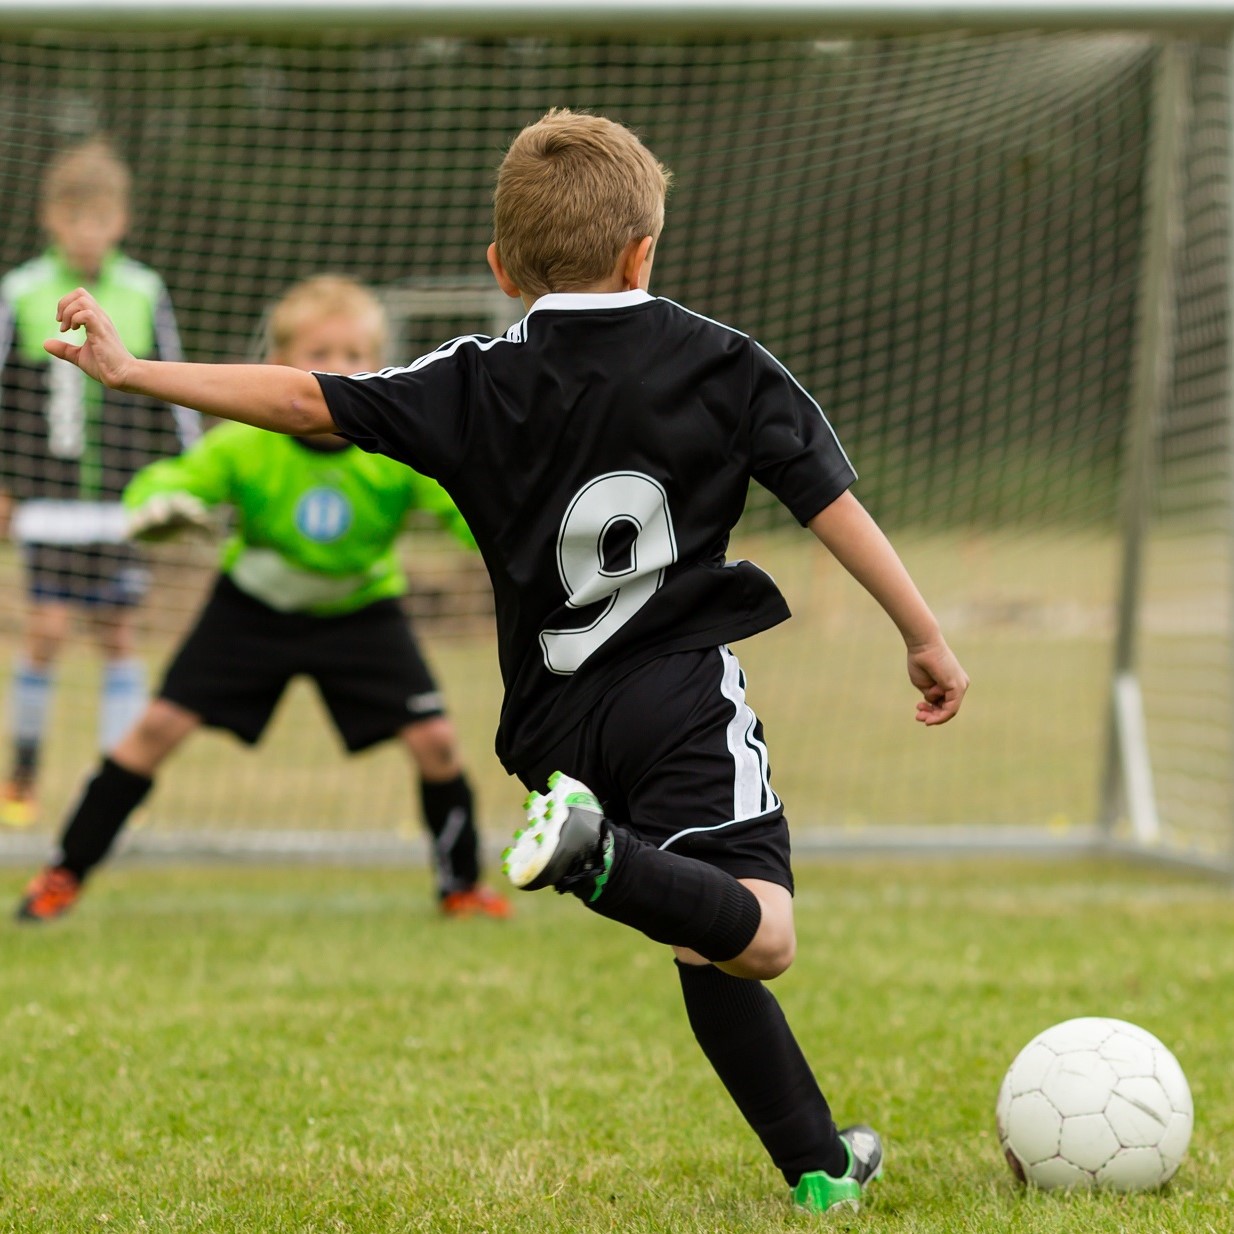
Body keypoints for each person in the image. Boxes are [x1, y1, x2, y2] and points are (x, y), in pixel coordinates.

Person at [41, 110, 968, 1215]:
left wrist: (134, 370)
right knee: (758, 932)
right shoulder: (723, 363)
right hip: (673, 695)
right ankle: (595, 855)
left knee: (697, 935)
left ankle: (819, 1165)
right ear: (644, 250)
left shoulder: (474, 377)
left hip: (550, 724)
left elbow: (301, 398)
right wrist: (921, 632)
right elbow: (829, 505)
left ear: (499, 267)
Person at [17, 275, 509, 924]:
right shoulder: (247, 440)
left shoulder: (397, 448)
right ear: (280, 365)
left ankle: (461, 889)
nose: (339, 369)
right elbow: (165, 483)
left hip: (359, 610)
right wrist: (157, 508)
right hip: (251, 608)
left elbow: (469, 511)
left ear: (380, 362)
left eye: (355, 354)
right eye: (321, 353)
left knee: (438, 742)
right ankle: (62, 875)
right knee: (154, 731)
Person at [0, 137, 199, 828]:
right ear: (51, 218)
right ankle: (21, 774)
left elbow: (173, 389)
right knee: (47, 630)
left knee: (118, 634)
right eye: (74, 217)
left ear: (121, 220)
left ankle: (115, 782)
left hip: (120, 503)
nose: (88, 231)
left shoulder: (142, 292)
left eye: (101, 217)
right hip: (45, 502)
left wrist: (184, 480)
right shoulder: (21, 291)